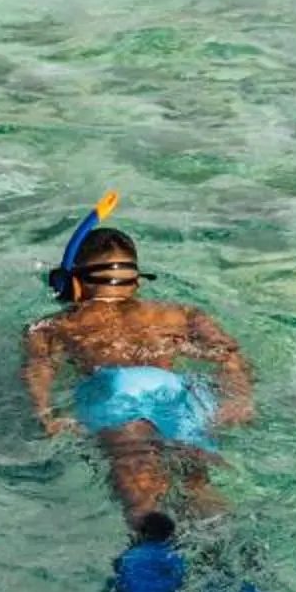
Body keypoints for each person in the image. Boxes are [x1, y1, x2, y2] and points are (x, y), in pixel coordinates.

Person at [22, 203, 254, 530]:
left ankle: (148, 543)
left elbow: (40, 367)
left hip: (117, 389)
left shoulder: (53, 326)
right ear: (136, 281)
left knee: (136, 474)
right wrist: (239, 397)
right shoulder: (181, 313)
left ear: (71, 285)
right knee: (194, 481)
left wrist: (45, 413)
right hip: (177, 391)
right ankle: (227, 547)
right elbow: (228, 355)